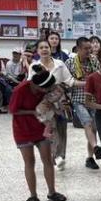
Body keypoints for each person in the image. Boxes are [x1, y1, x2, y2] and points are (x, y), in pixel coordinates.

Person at [9, 68, 66, 201]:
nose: (48, 92)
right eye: (47, 90)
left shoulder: (46, 90)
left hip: (42, 128)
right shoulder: (20, 90)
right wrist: (32, 112)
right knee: (30, 162)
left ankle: (52, 192)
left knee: (47, 160)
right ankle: (33, 195)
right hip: (23, 129)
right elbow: (12, 110)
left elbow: (51, 103)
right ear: (39, 87)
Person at [31, 40, 74, 169]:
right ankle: (54, 157)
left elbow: (69, 80)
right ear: (37, 51)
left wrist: (83, 83)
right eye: (41, 47)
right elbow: (31, 84)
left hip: (60, 99)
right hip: (44, 102)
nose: (44, 49)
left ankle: (61, 156)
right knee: (51, 129)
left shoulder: (60, 64)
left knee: (62, 128)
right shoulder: (34, 66)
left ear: (51, 49)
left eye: (46, 47)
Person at [65, 37, 97, 170]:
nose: (89, 51)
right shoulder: (70, 62)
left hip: (94, 99)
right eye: (85, 48)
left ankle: (90, 157)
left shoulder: (94, 61)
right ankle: (96, 147)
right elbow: (68, 81)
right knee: (87, 123)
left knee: (93, 128)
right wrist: (87, 83)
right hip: (78, 99)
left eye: (90, 48)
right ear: (78, 49)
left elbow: (99, 77)